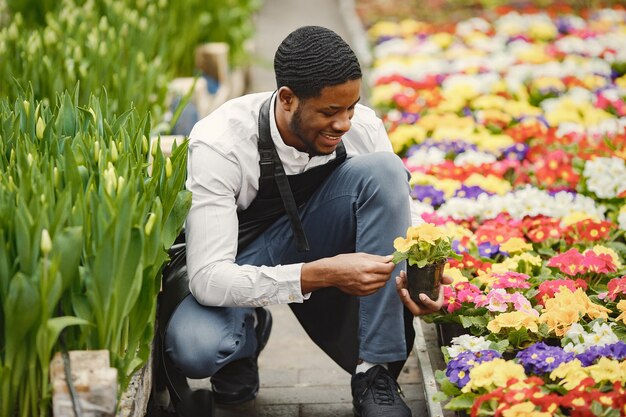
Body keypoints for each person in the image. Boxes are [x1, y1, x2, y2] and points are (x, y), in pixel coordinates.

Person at [161, 25, 446, 417]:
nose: (344, 123)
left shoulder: (361, 125)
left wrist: (422, 275)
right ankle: (242, 342)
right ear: (288, 99)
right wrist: (319, 274)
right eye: (330, 112)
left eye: (351, 107)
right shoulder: (220, 143)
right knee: (196, 346)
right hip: (239, 253)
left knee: (384, 170)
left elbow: (403, 216)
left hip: (316, 232)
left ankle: (375, 373)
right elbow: (209, 278)